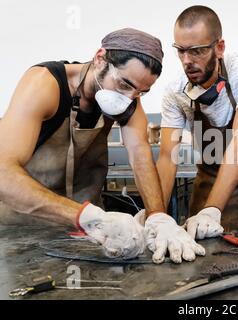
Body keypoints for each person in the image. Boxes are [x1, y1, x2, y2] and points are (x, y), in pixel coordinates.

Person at [0, 28, 205, 263]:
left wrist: (158, 217)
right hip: (21, 233)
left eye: (141, 92)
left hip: (90, 236)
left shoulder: (129, 101)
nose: (129, 98)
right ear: (100, 58)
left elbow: (140, 156)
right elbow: (3, 174)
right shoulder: (44, 85)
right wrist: (85, 216)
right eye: (124, 84)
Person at [157, 5, 238, 240]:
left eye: (197, 51)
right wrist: (155, 214)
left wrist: (211, 212)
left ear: (219, 47)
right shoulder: (175, 92)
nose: (187, 61)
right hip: (207, 183)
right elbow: (167, 158)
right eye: (180, 51)